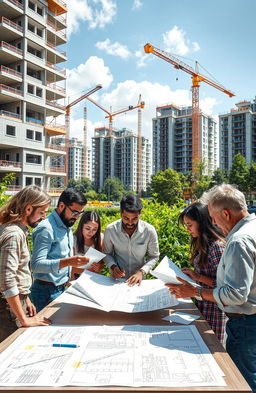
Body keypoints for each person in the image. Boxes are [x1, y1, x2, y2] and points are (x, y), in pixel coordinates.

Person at [166, 184, 256, 393]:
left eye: (214, 217)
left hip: (244, 323)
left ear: (225, 213)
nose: (213, 222)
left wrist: (195, 291)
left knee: (243, 382)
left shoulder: (238, 241)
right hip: (249, 321)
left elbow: (234, 294)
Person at [0, 185, 52, 342]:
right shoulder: (14, 234)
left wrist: (26, 298)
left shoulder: (13, 229)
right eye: (41, 212)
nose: (43, 217)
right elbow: (6, 279)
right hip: (8, 309)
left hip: (14, 303)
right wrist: (23, 319)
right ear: (28, 209)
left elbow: (17, 272)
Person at [30, 188, 89, 312]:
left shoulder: (66, 224)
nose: (77, 217)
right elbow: (35, 265)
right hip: (44, 293)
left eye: (80, 213)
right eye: (74, 212)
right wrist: (68, 262)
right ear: (61, 205)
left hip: (61, 289)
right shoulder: (46, 228)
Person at [178, 201, 227, 344]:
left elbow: (223, 285)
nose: (187, 229)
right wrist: (193, 276)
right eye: (186, 225)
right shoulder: (202, 243)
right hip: (203, 305)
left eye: (190, 225)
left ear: (202, 223)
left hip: (216, 311)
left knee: (212, 347)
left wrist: (199, 277)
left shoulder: (217, 247)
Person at [103, 194, 160, 286]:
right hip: (116, 282)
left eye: (134, 218)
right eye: (126, 218)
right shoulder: (110, 230)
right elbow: (107, 253)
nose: (130, 222)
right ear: (120, 213)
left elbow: (154, 256)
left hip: (140, 282)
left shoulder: (149, 231)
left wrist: (141, 272)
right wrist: (113, 267)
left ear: (140, 213)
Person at [72, 211, 104, 279]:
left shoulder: (100, 238)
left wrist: (99, 267)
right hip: (75, 279)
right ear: (81, 226)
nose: (91, 232)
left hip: (93, 279)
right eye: (88, 228)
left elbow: (101, 263)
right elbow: (69, 267)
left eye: (94, 229)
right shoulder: (73, 239)